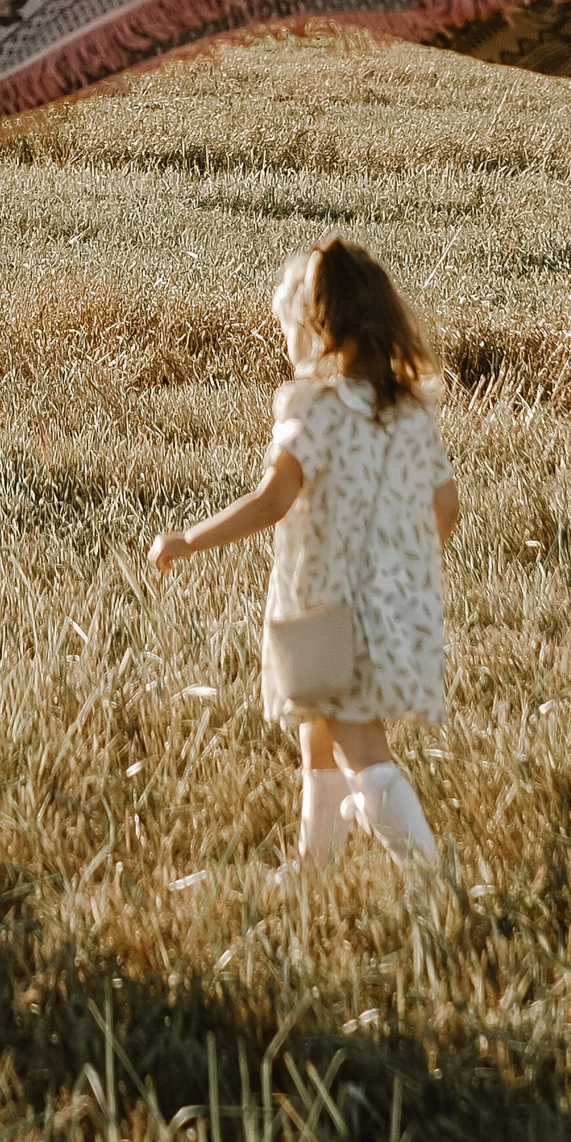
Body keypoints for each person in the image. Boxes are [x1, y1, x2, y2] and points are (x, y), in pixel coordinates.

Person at [150, 238, 459, 867]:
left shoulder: (314, 410)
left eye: (290, 327)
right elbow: (446, 507)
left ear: (321, 332)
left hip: (328, 613)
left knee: (360, 746)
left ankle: (430, 876)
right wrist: (400, 566)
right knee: (319, 737)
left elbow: (271, 502)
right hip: (393, 606)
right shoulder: (407, 414)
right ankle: (314, 869)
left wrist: (189, 540)